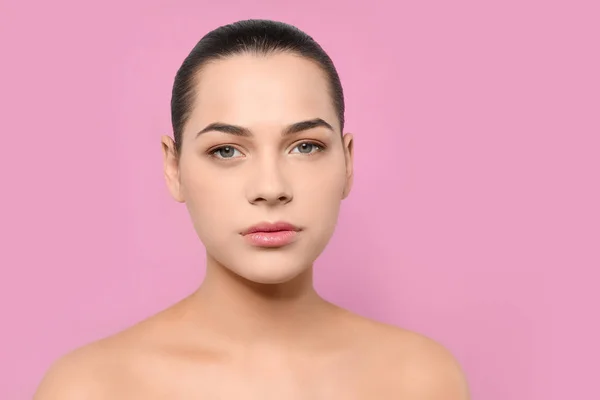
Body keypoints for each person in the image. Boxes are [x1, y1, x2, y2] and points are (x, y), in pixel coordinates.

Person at [34, 19, 470, 399]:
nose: (270, 188)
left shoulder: (421, 380)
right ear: (174, 167)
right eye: (226, 150)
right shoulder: (91, 388)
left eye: (305, 146)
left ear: (348, 161)